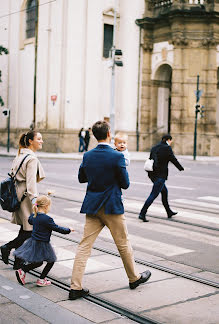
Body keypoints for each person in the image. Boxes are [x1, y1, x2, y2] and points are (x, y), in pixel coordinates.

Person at [69, 120, 151, 301]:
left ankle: (75, 287)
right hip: (112, 207)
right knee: (123, 244)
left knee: (84, 247)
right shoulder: (117, 156)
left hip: (92, 207)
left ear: (94, 136)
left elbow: (82, 178)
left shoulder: (87, 155)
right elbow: (126, 184)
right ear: (109, 135)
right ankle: (133, 278)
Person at [0, 130, 45, 269]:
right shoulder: (31, 159)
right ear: (31, 141)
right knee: (30, 231)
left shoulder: (19, 155)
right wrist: (35, 203)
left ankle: (18, 260)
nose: (41, 141)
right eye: (39, 139)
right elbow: (31, 184)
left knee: (25, 229)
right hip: (26, 199)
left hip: (18, 196)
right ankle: (8, 247)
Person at [14, 194, 74, 286]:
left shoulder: (34, 216)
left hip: (33, 242)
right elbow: (57, 228)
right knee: (51, 261)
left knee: (39, 262)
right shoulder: (47, 219)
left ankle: (23, 270)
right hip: (43, 243)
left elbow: (30, 220)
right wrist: (69, 230)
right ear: (46, 206)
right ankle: (41, 279)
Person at [139, 134, 184, 222]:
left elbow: (151, 160)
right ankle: (142, 213)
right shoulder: (167, 148)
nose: (171, 143)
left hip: (152, 175)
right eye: (170, 141)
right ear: (168, 140)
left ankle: (169, 211)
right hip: (161, 175)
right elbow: (173, 159)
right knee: (153, 194)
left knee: (164, 192)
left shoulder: (155, 147)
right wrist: (181, 168)